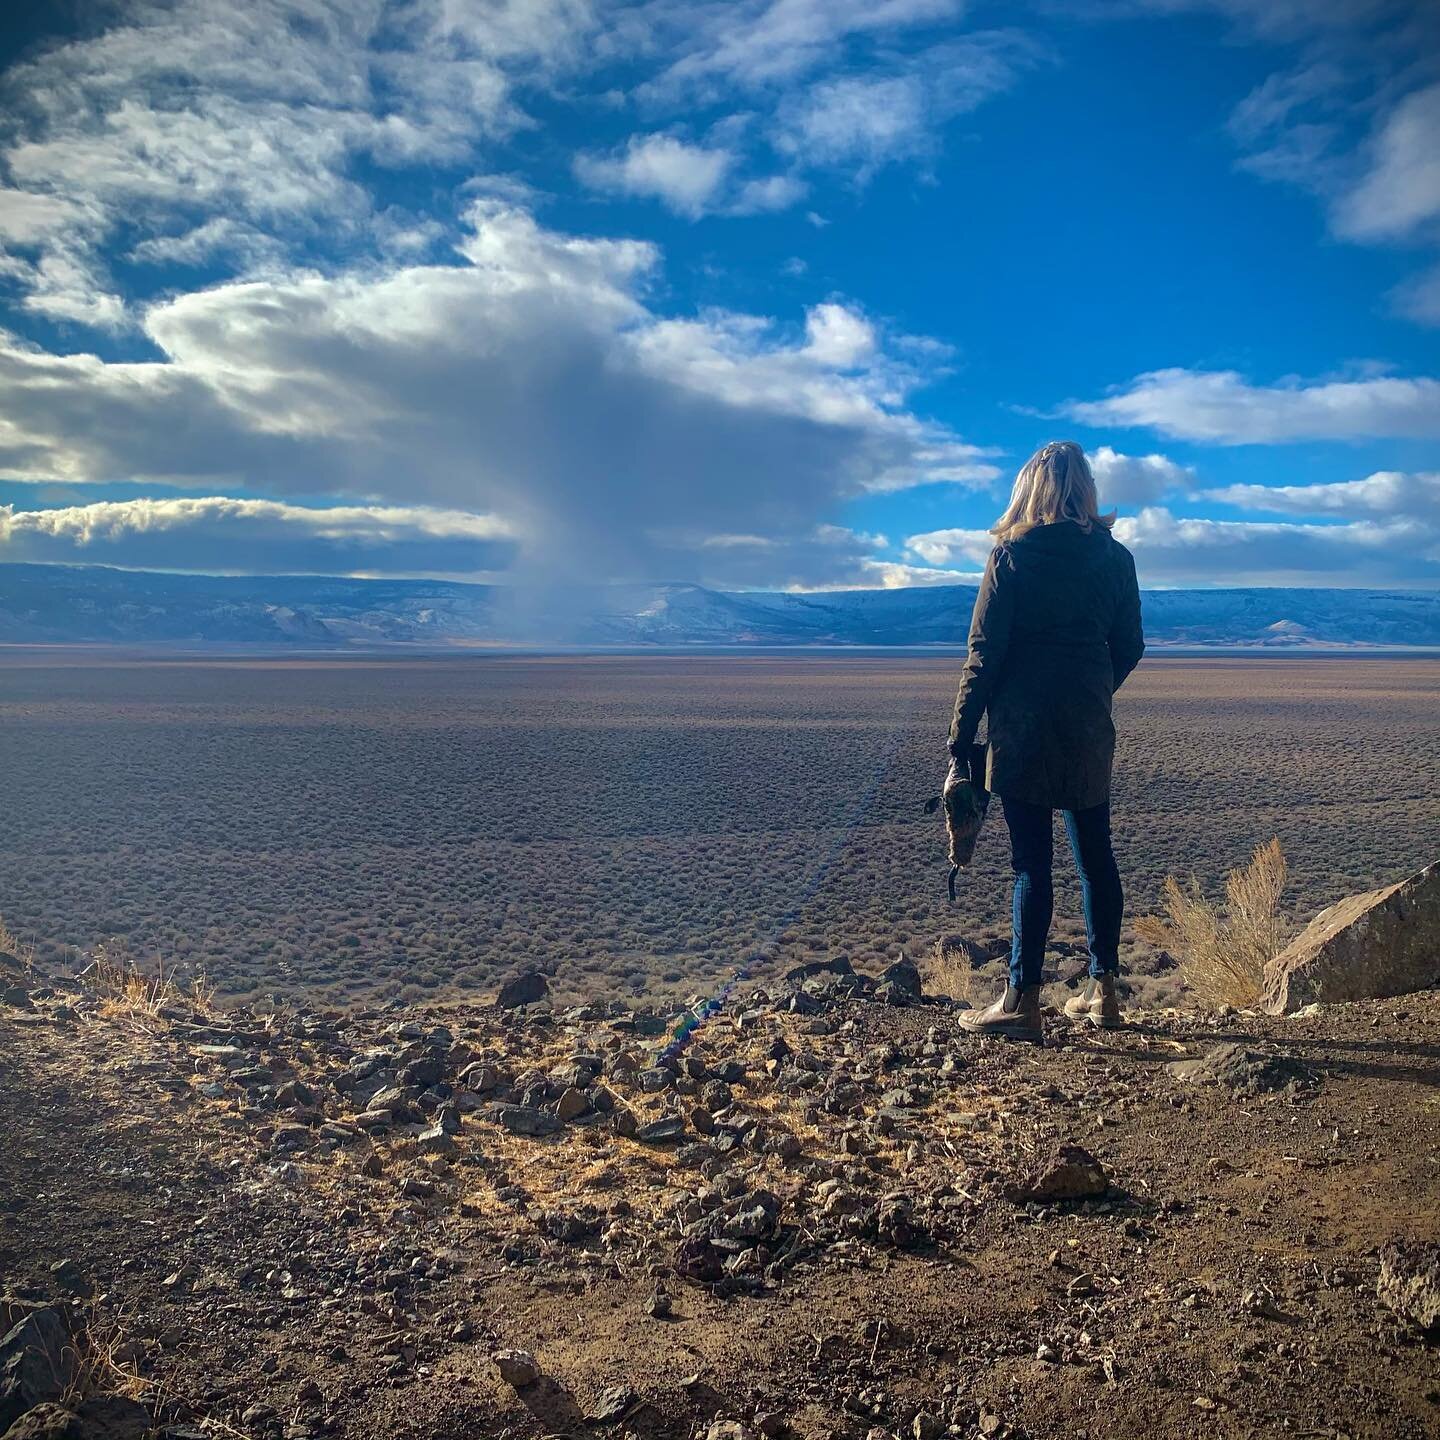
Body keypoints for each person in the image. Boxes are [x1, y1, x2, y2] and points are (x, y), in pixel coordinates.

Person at [947, 440, 1144, 1041]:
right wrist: (1091, 686)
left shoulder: (1010, 557)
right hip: (1087, 724)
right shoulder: (1116, 559)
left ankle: (1022, 999)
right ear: (1085, 490)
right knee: (1095, 854)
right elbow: (1130, 646)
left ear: (1028, 490)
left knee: (1031, 863)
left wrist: (960, 740)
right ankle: (1103, 991)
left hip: (1022, 729)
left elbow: (984, 653)